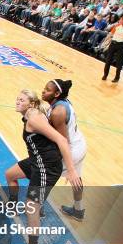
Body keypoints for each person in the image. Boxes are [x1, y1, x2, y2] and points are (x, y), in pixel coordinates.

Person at [4, 90, 82, 244]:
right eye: (17, 98)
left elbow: (62, 140)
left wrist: (71, 170)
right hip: (35, 161)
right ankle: (13, 205)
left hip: (45, 167)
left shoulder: (33, 118)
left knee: (32, 206)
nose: (17, 101)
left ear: (31, 104)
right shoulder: (30, 114)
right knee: (10, 174)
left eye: (21, 99)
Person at [41, 80, 87, 221]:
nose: (43, 91)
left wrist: (69, 168)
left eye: (47, 89)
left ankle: (38, 209)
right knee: (76, 179)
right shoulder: (63, 102)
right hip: (80, 144)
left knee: (46, 176)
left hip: (71, 149)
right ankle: (78, 210)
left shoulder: (58, 112)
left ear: (56, 93)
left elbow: (63, 141)